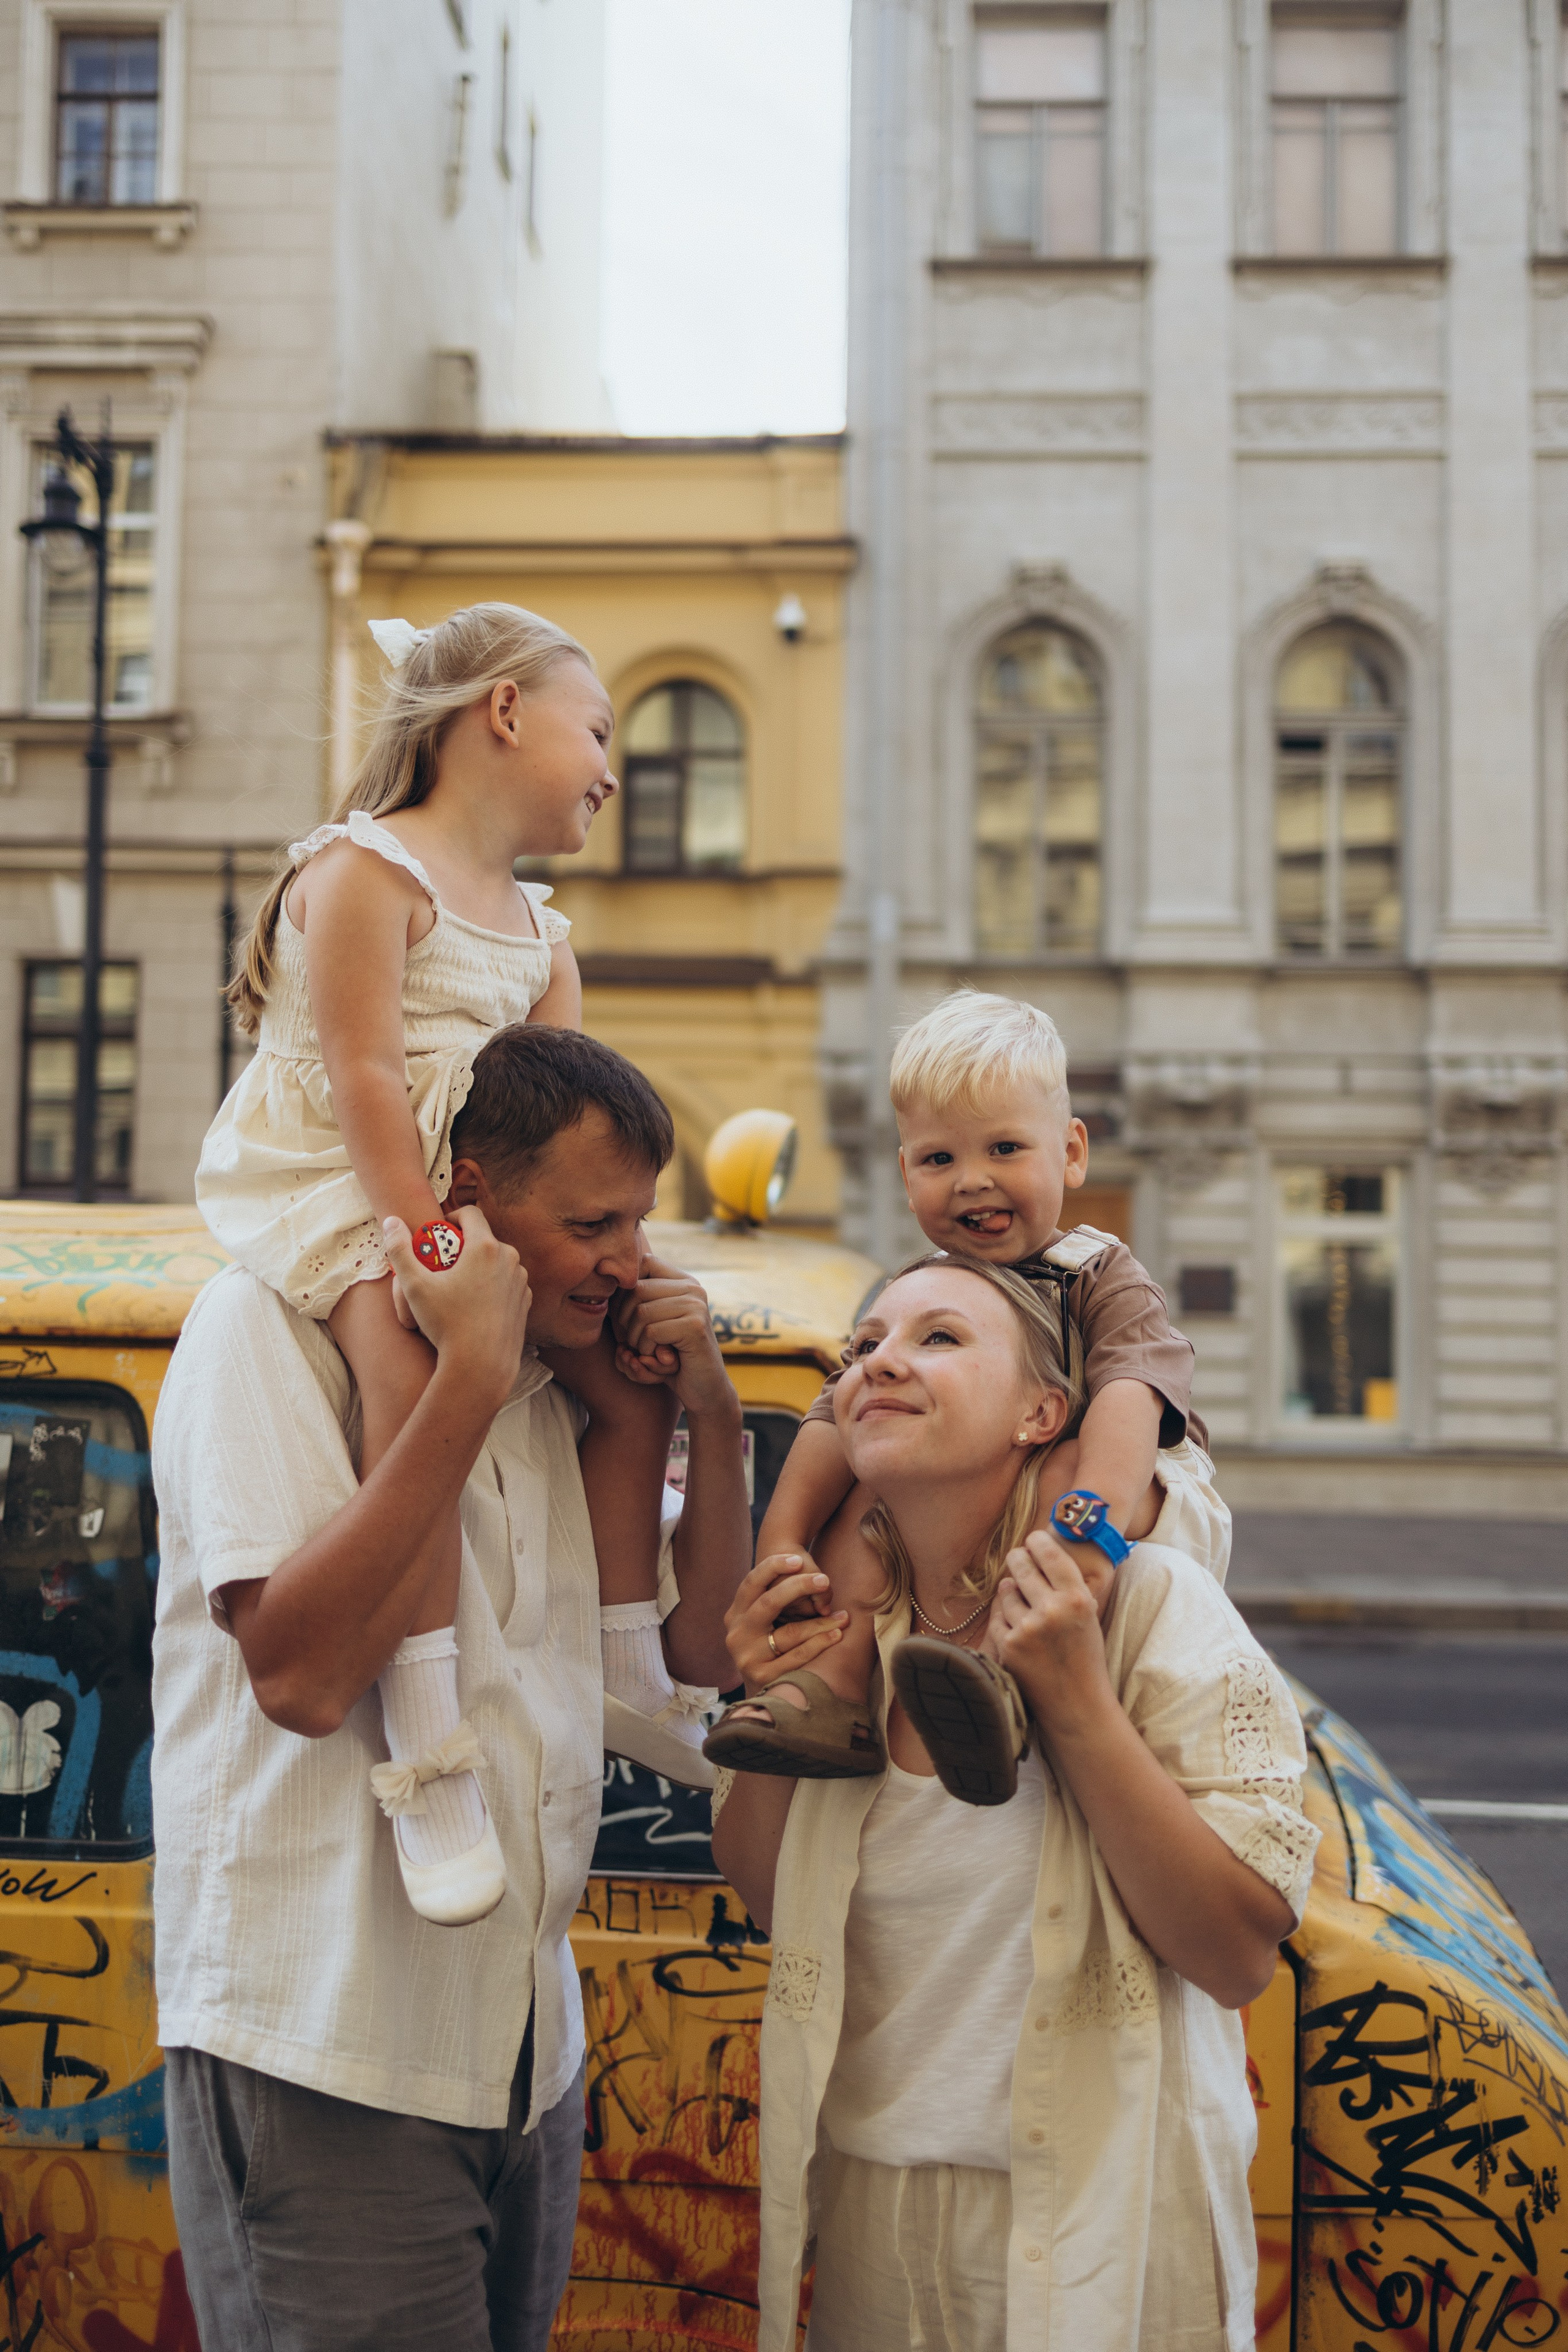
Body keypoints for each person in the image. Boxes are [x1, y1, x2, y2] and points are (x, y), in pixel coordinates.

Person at [152, 1025, 752, 2352]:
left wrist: (700, 1413)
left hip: (521, 2061)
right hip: (332, 2049)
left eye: (637, 1224)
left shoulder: (560, 1380)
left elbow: (677, 1668)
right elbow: (302, 1674)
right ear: (467, 1200)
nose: (626, 1262)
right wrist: (464, 1382)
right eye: (591, 1222)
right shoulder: (265, 1331)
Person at [710, 1255, 1317, 2352]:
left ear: (1044, 1413)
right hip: (875, 2214)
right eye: (866, 1348)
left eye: (939, 1338)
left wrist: (1077, 1702)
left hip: (1104, 2213)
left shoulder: (1149, 1605)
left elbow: (1236, 1955)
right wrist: (772, 1709)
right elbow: (769, 1897)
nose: (883, 1360)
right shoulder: (848, 1636)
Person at [197, 604, 699, 1928]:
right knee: (408, 1362)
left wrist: (590, 1284)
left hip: (470, 1200)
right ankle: (427, 1757)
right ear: (503, 714)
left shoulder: (544, 934)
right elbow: (362, 1080)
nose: (611, 768)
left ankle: (630, 1655)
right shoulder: (365, 873)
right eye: (598, 730)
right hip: (347, 1187)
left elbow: (556, 1113)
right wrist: (423, 1242)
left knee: (624, 1351)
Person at [705, 989, 1227, 1798]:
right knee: (868, 1508)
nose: (972, 1181)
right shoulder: (917, 1295)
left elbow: (1130, 1393)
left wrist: (1088, 1529)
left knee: (1057, 1470)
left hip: (1122, 1497)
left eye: (1006, 1148)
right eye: (938, 1159)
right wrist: (784, 1538)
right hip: (986, 1505)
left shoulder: (1093, 1272)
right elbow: (835, 1414)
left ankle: (1002, 1687)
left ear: (1072, 1153)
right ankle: (828, 1693)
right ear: (905, 1171)